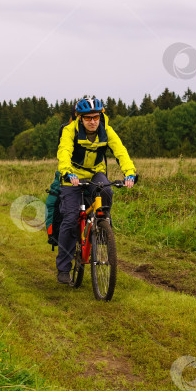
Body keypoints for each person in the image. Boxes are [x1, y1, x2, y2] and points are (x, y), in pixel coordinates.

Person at [55, 96, 137, 284]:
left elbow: (121, 152)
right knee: (70, 218)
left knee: (107, 190)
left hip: (94, 173)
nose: (92, 121)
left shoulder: (107, 131)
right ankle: (63, 268)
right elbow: (64, 152)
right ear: (80, 118)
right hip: (72, 175)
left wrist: (130, 173)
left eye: (96, 117)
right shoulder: (70, 131)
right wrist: (67, 172)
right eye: (88, 118)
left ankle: (102, 227)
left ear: (100, 116)